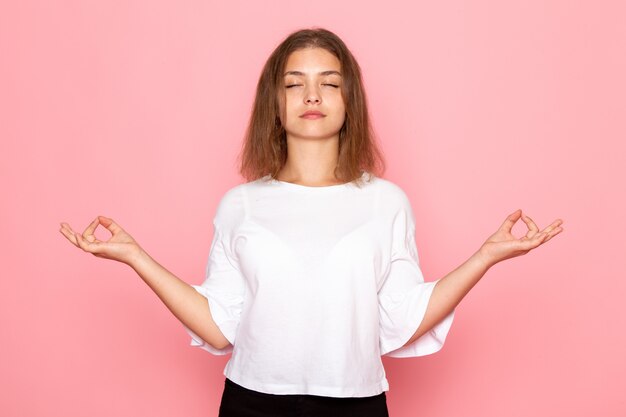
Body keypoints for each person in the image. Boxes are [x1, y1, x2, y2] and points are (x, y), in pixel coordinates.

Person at [59, 27, 564, 417]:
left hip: (356, 404)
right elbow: (218, 326)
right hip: (251, 403)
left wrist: (487, 256)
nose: (312, 96)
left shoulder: (387, 202)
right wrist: (134, 257)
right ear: (275, 105)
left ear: (350, 102)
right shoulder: (240, 205)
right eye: (294, 84)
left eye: (329, 83)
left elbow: (402, 319)